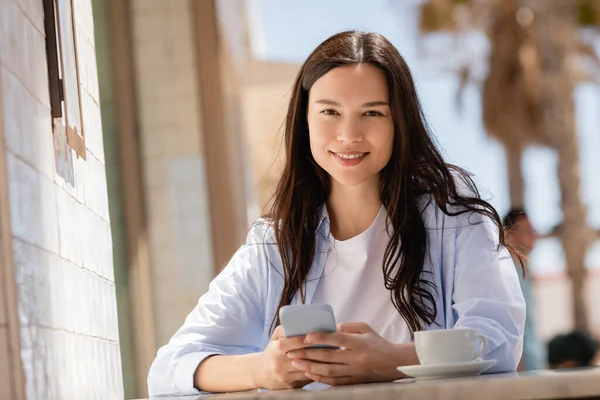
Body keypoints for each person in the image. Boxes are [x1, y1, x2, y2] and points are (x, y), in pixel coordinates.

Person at [147, 31, 526, 397]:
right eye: (330, 111)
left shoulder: (450, 213)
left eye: (372, 113)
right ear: (305, 119)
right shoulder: (274, 243)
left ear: (400, 122)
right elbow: (170, 368)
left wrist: (393, 361)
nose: (348, 134)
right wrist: (263, 369)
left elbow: (498, 341)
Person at [502, 209, 545, 371]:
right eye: (528, 231)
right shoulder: (506, 275)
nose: (534, 235)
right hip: (520, 367)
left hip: (534, 363)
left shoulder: (524, 271)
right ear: (509, 235)